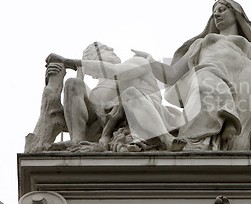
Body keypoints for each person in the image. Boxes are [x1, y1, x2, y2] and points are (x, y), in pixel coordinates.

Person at [133, 0, 251, 150]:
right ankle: (192, 144)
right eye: (214, 12)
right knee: (204, 85)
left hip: (247, 84)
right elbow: (172, 74)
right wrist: (150, 60)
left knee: (238, 142)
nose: (216, 14)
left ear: (236, 14)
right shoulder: (202, 43)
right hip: (209, 74)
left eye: (222, 10)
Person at [46, 42, 187, 152]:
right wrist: (54, 83)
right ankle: (76, 140)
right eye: (105, 49)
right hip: (112, 120)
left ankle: (166, 139)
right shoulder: (102, 88)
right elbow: (82, 109)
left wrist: (72, 63)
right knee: (72, 83)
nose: (112, 49)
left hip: (146, 110)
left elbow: (115, 71)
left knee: (129, 94)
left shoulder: (137, 62)